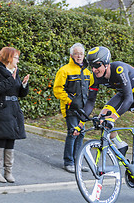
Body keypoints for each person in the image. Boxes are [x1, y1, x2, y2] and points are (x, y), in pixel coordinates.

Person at [77, 46, 134, 195]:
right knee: (102, 117)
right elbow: (90, 102)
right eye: (91, 66)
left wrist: (114, 117)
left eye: (97, 65)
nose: (94, 69)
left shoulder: (118, 69)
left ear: (106, 63)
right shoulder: (95, 77)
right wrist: (80, 124)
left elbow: (129, 99)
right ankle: (120, 144)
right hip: (125, 94)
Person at [0, 47, 30, 183]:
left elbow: (20, 94)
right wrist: (11, 79)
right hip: (0, 110)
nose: (18, 60)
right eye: (16, 57)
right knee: (2, 139)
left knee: (11, 139)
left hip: (13, 110)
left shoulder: (15, 72)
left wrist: (23, 85)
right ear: (8, 58)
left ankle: (8, 172)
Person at [53, 43, 92, 173]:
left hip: (82, 109)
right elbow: (57, 90)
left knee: (81, 134)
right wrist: (70, 101)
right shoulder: (64, 70)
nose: (79, 56)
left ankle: (77, 162)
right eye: (76, 53)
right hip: (70, 108)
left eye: (81, 54)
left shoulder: (87, 72)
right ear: (71, 55)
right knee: (73, 133)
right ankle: (68, 162)